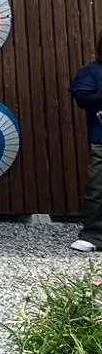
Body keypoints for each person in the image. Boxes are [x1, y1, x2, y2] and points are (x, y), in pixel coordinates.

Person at [70, 36, 102, 253]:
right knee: (98, 188)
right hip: (101, 141)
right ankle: (93, 235)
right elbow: (83, 98)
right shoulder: (91, 72)